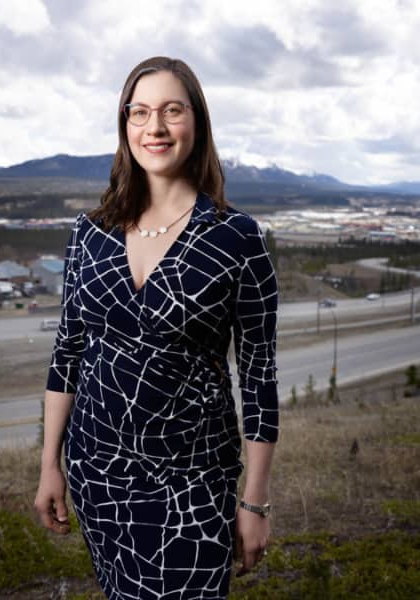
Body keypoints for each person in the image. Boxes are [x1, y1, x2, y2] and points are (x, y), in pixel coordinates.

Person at [34, 56, 279, 600]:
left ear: (198, 122)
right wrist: (50, 465)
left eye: (172, 110)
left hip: (191, 482)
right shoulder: (89, 233)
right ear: (125, 126)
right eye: (140, 112)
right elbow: (67, 353)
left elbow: (259, 379)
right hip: (96, 472)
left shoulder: (238, 238)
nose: (156, 127)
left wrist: (255, 501)